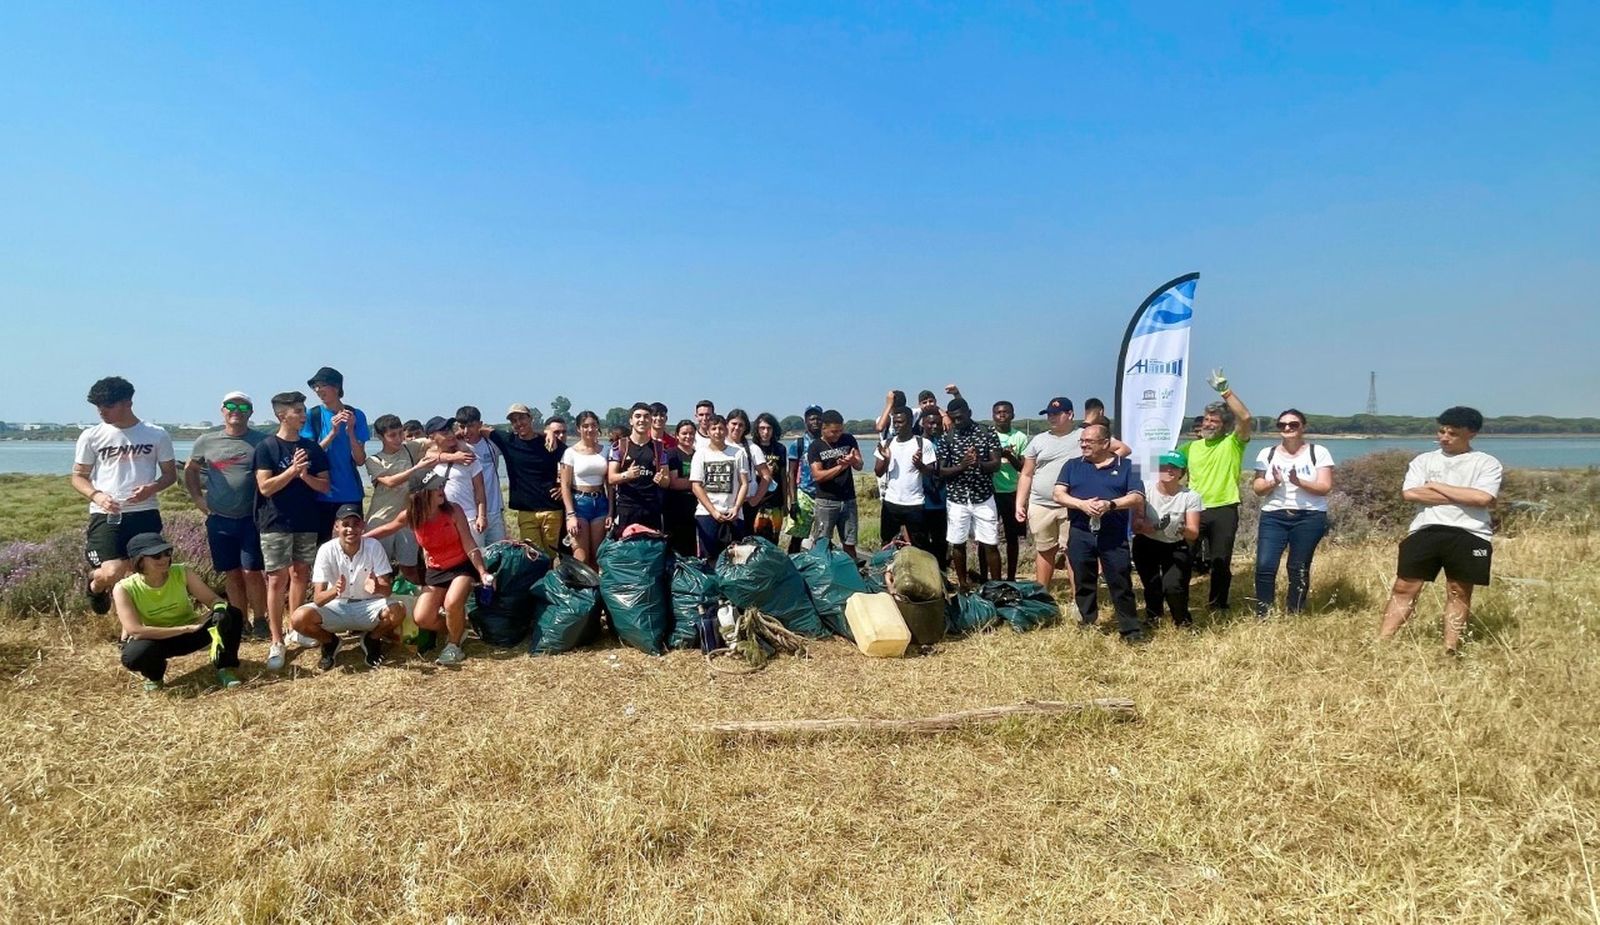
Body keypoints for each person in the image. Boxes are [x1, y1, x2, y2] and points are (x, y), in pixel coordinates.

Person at [1378, 407, 1502, 655]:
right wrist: (1464, 495)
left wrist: (1435, 486)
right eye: (1441, 431)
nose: (1444, 437)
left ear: (1471, 434)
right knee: (1404, 587)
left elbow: (1483, 498)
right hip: (1426, 530)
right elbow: (1410, 493)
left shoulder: (1486, 463)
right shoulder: (1423, 460)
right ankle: (1381, 642)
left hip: (1471, 533)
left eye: (1452, 433)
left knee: (1458, 590)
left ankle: (1450, 648)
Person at [72, 376, 177, 615]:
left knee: (147, 571)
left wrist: (152, 488)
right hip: (107, 514)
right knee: (112, 572)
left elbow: (170, 475)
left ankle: (130, 633)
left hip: (145, 512)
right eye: (98, 406)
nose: (101, 412)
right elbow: (78, 476)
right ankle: (95, 586)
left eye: (108, 406)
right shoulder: (91, 436)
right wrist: (96, 495)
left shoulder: (156, 434)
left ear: (128, 403)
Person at [366, 470, 492, 666]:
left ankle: (453, 646)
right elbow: (387, 528)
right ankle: (460, 629)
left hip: (461, 567)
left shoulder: (453, 510)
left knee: (452, 604)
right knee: (422, 618)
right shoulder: (411, 515)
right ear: (422, 493)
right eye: (436, 488)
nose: (442, 490)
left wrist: (482, 572)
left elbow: (469, 544)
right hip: (435, 571)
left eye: (442, 486)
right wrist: (361, 538)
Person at [253, 391, 332, 670]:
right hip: (275, 522)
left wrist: (305, 475)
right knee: (276, 580)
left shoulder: (313, 448)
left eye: (302, 409)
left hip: (307, 521)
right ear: (281, 414)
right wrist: (292, 471)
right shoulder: (266, 447)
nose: (302, 414)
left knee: (300, 574)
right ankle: (277, 640)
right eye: (297, 410)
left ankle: (295, 628)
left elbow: (324, 485)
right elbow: (265, 487)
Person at [113, 532, 244, 691]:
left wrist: (219, 610)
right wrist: (186, 628)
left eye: (167, 553)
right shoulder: (123, 588)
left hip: (192, 633)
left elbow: (214, 600)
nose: (164, 559)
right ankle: (155, 676)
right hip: (158, 640)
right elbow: (136, 631)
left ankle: (225, 667)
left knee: (231, 614)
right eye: (156, 556)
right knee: (134, 655)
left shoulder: (182, 572)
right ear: (139, 560)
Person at [185, 391, 268, 637]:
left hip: (251, 518)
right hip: (219, 519)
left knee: (252, 572)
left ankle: (261, 620)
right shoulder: (206, 441)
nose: (236, 410)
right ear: (222, 410)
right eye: (230, 405)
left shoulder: (262, 441)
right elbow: (191, 470)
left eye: (243, 407)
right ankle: (240, 621)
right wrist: (198, 500)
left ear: (250, 413)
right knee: (232, 572)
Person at [1053, 423, 1146, 642]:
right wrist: (1081, 504)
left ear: (1106, 443)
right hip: (1080, 532)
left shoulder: (1129, 466)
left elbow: (1137, 497)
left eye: (1089, 441)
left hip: (1113, 535)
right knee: (1084, 579)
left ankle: (1130, 629)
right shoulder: (1072, 465)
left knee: (1120, 580)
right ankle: (1087, 622)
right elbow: (1058, 494)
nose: (1083, 445)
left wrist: (1110, 504)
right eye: (1082, 441)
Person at [290, 505, 405, 670]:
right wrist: (334, 591)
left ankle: (371, 639)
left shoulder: (373, 546)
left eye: (355, 524)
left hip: (368, 605)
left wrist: (377, 588)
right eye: (346, 524)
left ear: (362, 526)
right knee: (298, 618)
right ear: (336, 527)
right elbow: (318, 599)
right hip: (337, 606)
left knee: (398, 610)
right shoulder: (326, 550)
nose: (351, 529)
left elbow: (387, 590)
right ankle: (330, 642)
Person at [1180, 368, 1253, 610]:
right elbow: (1159, 468)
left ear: (1224, 426)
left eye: (1215, 420)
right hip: (1194, 509)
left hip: (1223, 508)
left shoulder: (1233, 444)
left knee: (1220, 561)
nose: (1209, 423)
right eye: (1206, 419)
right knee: (1183, 557)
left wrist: (1225, 391)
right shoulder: (1190, 448)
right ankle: (1179, 603)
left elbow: (1245, 418)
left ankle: (1217, 605)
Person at [1251, 408, 1336, 617]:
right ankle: (1264, 613)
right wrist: (1273, 482)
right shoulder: (1266, 453)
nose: (1287, 428)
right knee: (1265, 564)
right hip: (1274, 515)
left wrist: (1300, 482)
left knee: (1298, 566)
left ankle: (1294, 611)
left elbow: (1325, 487)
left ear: (1303, 427)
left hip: (1309, 516)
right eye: (1282, 425)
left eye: (1293, 424)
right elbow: (1258, 488)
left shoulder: (1318, 452)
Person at [935, 398, 1001, 591]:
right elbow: (941, 471)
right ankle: (963, 584)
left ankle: (997, 586)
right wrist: (962, 466)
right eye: (953, 418)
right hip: (957, 499)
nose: (957, 421)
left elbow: (996, 464)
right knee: (957, 542)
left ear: (969, 413)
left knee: (990, 543)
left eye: (960, 417)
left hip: (983, 496)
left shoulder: (987, 433)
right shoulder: (947, 438)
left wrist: (979, 464)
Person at [480, 404, 567, 551]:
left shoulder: (549, 442)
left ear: (531, 418)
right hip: (526, 511)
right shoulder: (507, 441)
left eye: (522, 418)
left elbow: (574, 462)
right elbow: (481, 429)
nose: (519, 423)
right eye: (514, 420)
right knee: (534, 557)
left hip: (551, 509)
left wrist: (563, 487)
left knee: (553, 556)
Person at [1132, 451, 1203, 628]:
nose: (1168, 471)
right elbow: (1136, 524)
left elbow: (1193, 532)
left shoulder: (1191, 496)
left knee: (1172, 586)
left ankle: (1182, 621)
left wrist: (1179, 528)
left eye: (1174, 468)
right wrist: (1154, 527)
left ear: (1182, 472)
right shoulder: (1145, 490)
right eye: (1164, 467)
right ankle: (1153, 618)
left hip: (1175, 544)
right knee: (1151, 584)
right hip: (1147, 543)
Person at [1015, 398, 1079, 594]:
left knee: (1073, 552)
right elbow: (1026, 474)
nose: (1051, 417)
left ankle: (1080, 600)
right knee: (1044, 550)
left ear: (1070, 414)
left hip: (1073, 505)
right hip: (1041, 504)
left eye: (1056, 414)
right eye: (1049, 414)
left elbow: (1119, 449)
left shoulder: (1084, 436)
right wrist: (1020, 503)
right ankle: (1041, 595)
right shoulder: (1038, 440)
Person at [363, 414, 433, 585]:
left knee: (410, 567)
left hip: (408, 519)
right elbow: (390, 482)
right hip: (381, 519)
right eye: (392, 435)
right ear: (380, 437)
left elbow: (438, 439)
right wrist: (418, 467)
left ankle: (418, 601)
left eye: (400, 433)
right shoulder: (374, 460)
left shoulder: (411, 447)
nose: (398, 439)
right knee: (378, 568)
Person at [303, 367, 369, 543]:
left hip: (350, 492)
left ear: (337, 387)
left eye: (322, 385)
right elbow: (311, 454)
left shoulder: (356, 415)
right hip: (320, 493)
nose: (318, 390)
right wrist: (332, 433)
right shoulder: (313, 415)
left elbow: (360, 460)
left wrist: (351, 431)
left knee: (351, 543)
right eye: (315, 386)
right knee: (323, 546)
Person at [874, 405, 935, 552]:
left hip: (914, 503)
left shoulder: (923, 443)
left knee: (919, 545)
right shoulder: (886, 444)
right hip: (891, 502)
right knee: (888, 543)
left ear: (910, 423)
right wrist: (885, 459)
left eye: (900, 422)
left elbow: (930, 472)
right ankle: (888, 572)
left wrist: (919, 464)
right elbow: (878, 472)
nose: (896, 426)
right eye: (895, 422)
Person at [690, 414, 749, 561]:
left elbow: (744, 483)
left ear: (726, 430)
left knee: (735, 558)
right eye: (713, 428)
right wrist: (713, 511)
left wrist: (736, 508)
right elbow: (696, 485)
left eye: (721, 428)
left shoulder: (738, 453)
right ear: (708, 432)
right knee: (709, 557)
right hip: (707, 514)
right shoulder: (700, 454)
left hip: (733, 514)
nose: (718, 432)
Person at [422, 415, 488, 546]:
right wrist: (452, 457)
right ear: (431, 437)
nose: (450, 435)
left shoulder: (467, 457)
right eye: (444, 432)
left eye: (451, 430)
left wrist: (481, 516)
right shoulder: (429, 460)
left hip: (469, 517)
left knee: (476, 558)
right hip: (442, 519)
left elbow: (480, 490)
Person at [807, 410, 863, 559]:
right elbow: (818, 475)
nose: (837, 434)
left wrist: (852, 461)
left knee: (850, 543)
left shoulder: (849, 439)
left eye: (840, 430)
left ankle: (852, 573)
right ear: (823, 429)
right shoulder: (815, 446)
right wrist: (841, 467)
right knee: (822, 543)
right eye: (833, 432)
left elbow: (859, 465)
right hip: (826, 501)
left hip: (848, 500)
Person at [608, 402, 671, 534]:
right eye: (638, 416)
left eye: (646, 416)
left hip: (651, 509)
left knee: (650, 550)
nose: (642, 420)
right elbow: (611, 478)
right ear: (631, 420)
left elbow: (667, 481)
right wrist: (627, 475)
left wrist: (661, 480)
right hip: (627, 508)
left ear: (650, 421)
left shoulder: (659, 449)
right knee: (626, 550)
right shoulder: (619, 446)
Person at [560, 411, 612, 567]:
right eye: (585, 426)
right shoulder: (570, 453)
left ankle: (597, 590)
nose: (590, 429)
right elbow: (565, 485)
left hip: (600, 503)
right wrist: (570, 515)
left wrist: (611, 511)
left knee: (598, 556)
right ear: (578, 429)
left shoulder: (605, 451)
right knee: (581, 557)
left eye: (593, 425)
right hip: (579, 504)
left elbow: (609, 483)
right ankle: (581, 591)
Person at [454, 405, 508, 545]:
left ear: (480, 424)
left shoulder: (492, 444)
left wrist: (549, 432)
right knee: (476, 556)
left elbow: (520, 438)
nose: (466, 431)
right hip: (470, 513)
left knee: (500, 555)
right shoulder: (454, 448)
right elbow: (431, 449)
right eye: (462, 426)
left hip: (494, 510)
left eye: (471, 426)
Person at [991, 400, 1030, 580]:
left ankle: (1012, 577)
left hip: (1013, 492)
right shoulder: (988, 436)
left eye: (1006, 412)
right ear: (993, 416)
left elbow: (1023, 467)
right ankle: (987, 576)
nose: (1002, 416)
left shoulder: (1020, 437)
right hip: (991, 492)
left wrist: (1009, 455)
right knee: (988, 538)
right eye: (998, 413)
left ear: (1012, 415)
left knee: (1012, 537)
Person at [726, 409, 772, 539]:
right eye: (734, 423)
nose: (737, 428)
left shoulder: (753, 448)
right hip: (725, 502)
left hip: (747, 503)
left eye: (741, 425)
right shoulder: (720, 445)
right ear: (727, 424)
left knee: (744, 540)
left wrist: (756, 499)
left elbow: (766, 477)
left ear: (745, 427)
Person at [786, 405, 824, 553]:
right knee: (797, 536)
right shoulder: (799, 444)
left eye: (818, 418)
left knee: (822, 537)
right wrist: (793, 501)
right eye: (812, 418)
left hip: (823, 495)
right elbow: (791, 474)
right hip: (804, 495)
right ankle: (792, 565)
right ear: (806, 421)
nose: (815, 421)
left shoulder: (826, 442)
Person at [918, 408, 950, 572]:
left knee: (940, 541)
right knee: (922, 542)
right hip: (920, 500)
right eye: (930, 423)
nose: (934, 426)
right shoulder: (916, 444)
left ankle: (942, 574)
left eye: (937, 423)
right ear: (922, 423)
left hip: (941, 500)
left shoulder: (945, 442)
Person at [750, 413, 790, 541]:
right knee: (756, 537)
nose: (765, 432)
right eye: (762, 428)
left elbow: (784, 476)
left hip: (775, 501)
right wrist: (762, 472)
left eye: (769, 428)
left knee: (774, 537)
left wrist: (785, 503)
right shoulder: (751, 448)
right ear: (757, 430)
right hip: (756, 501)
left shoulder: (780, 449)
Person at [663, 419, 700, 557]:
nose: (688, 436)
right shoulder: (672, 454)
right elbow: (674, 482)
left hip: (695, 506)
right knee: (676, 548)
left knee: (692, 547)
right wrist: (698, 483)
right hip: (676, 508)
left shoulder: (698, 454)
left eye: (691, 433)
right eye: (684, 433)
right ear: (677, 435)